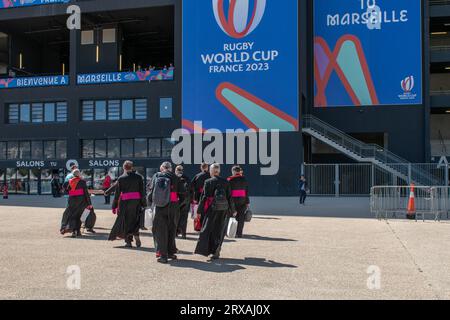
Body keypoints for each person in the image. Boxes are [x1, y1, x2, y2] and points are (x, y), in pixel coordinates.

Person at [195, 163, 236, 261]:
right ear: (219, 171)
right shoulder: (226, 182)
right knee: (219, 229)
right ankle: (217, 250)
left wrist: (199, 211)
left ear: (212, 171)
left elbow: (203, 198)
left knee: (208, 229)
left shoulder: (208, 181)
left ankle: (207, 250)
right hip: (223, 209)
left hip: (211, 209)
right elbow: (229, 197)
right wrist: (233, 210)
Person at [147, 162, 182, 264]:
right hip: (173, 206)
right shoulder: (176, 177)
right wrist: (178, 205)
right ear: (171, 168)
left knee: (160, 231)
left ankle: (163, 255)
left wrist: (149, 204)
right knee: (172, 229)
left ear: (162, 168)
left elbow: (150, 191)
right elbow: (184, 193)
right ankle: (171, 252)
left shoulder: (157, 175)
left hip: (160, 206)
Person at [108, 161, 146, 248]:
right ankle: (136, 234)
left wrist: (114, 206)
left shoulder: (121, 178)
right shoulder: (139, 177)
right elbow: (142, 192)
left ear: (124, 168)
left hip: (124, 203)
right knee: (135, 219)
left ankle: (128, 241)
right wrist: (144, 203)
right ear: (132, 167)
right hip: (136, 202)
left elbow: (117, 194)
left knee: (126, 221)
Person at [60, 169, 93, 238]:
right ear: (79, 174)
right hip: (81, 201)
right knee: (79, 216)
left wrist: (70, 192)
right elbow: (86, 193)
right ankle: (77, 231)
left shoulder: (69, 181)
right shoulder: (82, 182)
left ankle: (73, 231)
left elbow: (64, 189)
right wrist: (89, 203)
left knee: (72, 216)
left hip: (72, 201)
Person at [228, 166, 250, 238]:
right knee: (241, 218)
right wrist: (247, 202)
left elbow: (228, 192)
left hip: (233, 201)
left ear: (234, 171)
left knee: (232, 216)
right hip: (242, 200)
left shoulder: (230, 180)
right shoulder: (244, 179)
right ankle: (239, 233)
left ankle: (231, 232)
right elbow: (247, 192)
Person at [175, 165, 192, 239]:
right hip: (186, 199)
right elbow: (191, 189)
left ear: (176, 170)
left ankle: (175, 233)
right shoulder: (187, 178)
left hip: (177, 199)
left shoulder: (174, 177)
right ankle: (183, 234)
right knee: (184, 217)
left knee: (175, 216)